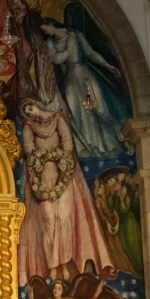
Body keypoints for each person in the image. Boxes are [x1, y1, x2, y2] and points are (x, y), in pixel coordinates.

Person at [18, 98, 115, 284]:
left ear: (37, 105)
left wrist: (61, 157)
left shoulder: (58, 119)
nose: (30, 112)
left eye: (30, 107)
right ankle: (53, 266)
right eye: (27, 112)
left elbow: (68, 142)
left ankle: (65, 265)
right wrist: (40, 156)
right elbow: (29, 148)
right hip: (42, 176)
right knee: (48, 221)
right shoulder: (28, 127)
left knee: (64, 218)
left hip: (63, 173)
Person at [39, 14, 132, 159]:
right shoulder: (50, 42)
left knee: (100, 108)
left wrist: (107, 65)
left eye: (45, 29)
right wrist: (69, 48)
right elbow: (56, 59)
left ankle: (120, 136)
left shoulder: (75, 34)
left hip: (86, 75)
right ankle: (90, 147)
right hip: (71, 78)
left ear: (51, 23)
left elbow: (90, 52)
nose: (45, 32)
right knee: (77, 113)